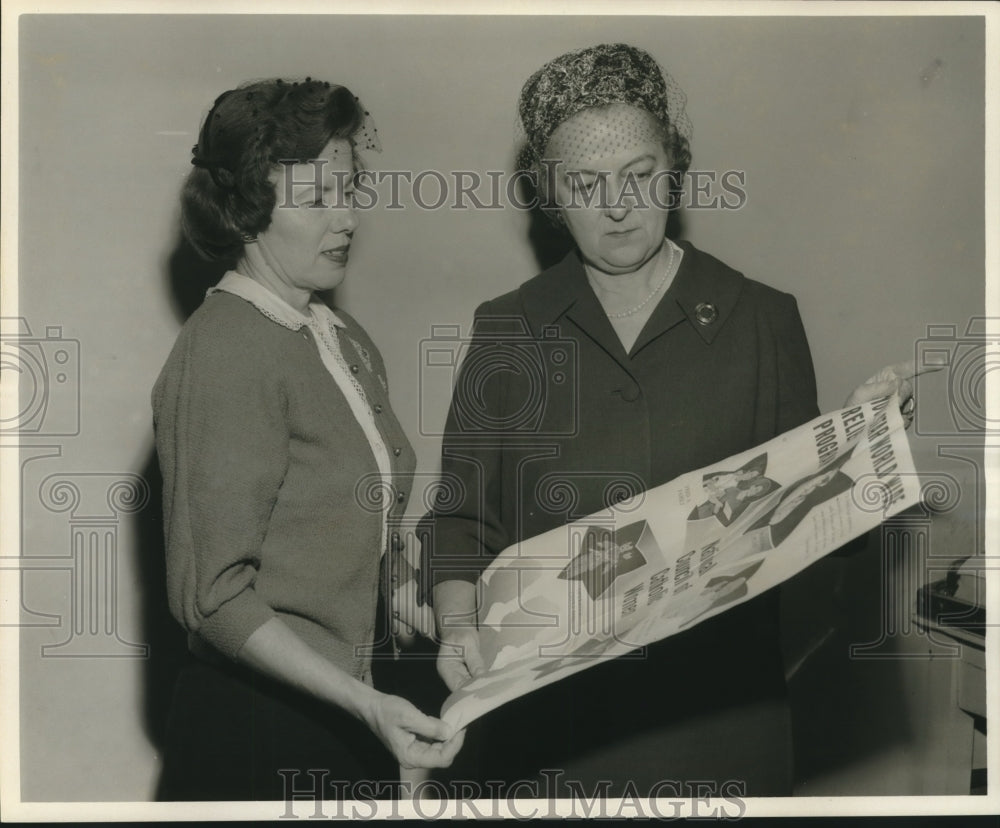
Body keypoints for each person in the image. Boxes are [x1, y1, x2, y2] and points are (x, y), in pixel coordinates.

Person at [421, 44, 923, 797]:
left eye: (640, 175)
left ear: (675, 168)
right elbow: (460, 518)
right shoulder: (508, 328)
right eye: (586, 184)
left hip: (717, 733)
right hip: (548, 737)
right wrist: (459, 626)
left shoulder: (761, 318)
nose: (618, 205)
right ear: (551, 195)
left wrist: (857, 449)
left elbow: (815, 540)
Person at [152, 77, 462, 801]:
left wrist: (457, 631)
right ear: (248, 209)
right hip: (256, 731)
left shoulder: (339, 336)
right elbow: (214, 598)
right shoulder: (224, 347)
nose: (347, 218)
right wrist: (364, 704)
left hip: (350, 716)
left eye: (349, 191)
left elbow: (358, 562)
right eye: (318, 198)